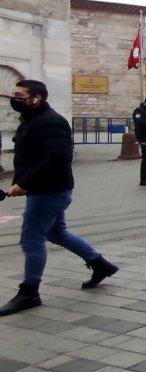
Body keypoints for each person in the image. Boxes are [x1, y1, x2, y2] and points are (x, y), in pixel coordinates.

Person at [1, 80, 118, 316]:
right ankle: (100, 264)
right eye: (13, 94)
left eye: (19, 95)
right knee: (56, 233)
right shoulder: (33, 119)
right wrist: (22, 183)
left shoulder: (50, 122)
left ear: (37, 98)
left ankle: (29, 292)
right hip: (46, 189)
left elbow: (57, 158)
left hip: (49, 191)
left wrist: (24, 183)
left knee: (31, 241)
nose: (14, 99)